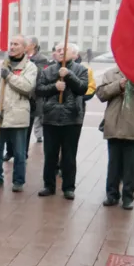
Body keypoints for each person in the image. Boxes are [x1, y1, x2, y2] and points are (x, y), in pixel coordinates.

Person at [96, 67, 134, 210]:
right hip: (114, 125)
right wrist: (118, 85)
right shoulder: (111, 73)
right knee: (114, 164)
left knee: (132, 165)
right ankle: (112, 195)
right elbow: (101, 93)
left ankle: (128, 196)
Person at [35, 43, 89, 199]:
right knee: (50, 154)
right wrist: (54, 87)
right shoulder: (48, 70)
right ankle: (48, 185)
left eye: (64, 50)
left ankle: (68, 187)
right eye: (58, 50)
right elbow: (39, 90)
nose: (60, 52)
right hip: (51, 117)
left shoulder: (81, 70)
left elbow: (82, 89)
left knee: (69, 156)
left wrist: (69, 75)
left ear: (74, 54)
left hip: (72, 118)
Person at [0, 36, 38, 192]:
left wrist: (9, 76)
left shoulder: (30, 67)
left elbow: (27, 87)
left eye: (16, 44)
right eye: (11, 43)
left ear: (24, 48)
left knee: (19, 152)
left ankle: (18, 180)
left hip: (18, 116)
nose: (12, 46)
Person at [25, 36, 51, 146]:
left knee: (28, 127)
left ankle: (24, 153)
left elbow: (40, 75)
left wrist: (27, 64)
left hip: (33, 98)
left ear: (33, 45)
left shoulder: (42, 59)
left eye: (26, 43)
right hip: (18, 99)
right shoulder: (19, 57)